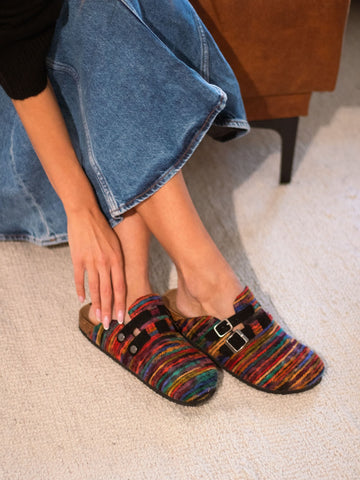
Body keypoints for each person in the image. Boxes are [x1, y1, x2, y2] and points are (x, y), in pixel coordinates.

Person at [0, 0, 324, 405]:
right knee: (92, 19)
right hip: (23, 109)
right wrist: (81, 207)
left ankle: (137, 293)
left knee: (100, 12)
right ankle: (196, 285)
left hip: (112, 55)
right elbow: (15, 55)